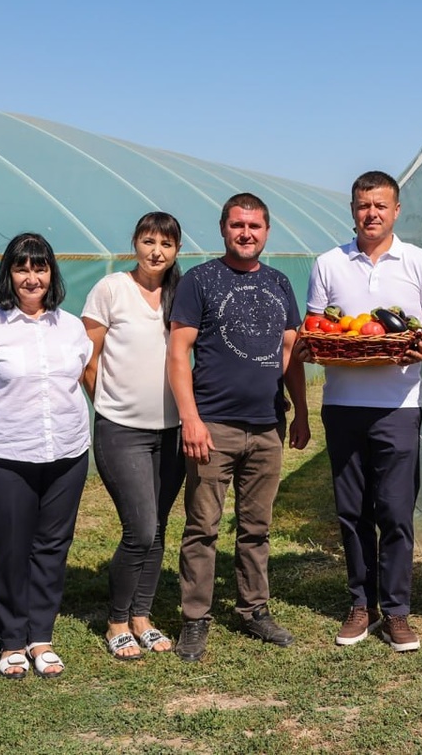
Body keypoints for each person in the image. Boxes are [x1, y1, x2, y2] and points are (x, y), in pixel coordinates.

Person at [302, 170, 422, 652]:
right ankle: (361, 604)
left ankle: (397, 611)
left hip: (399, 406)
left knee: (396, 512)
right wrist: (316, 345)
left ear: (396, 210)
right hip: (342, 405)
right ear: (352, 209)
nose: (372, 214)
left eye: (381, 205)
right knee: (352, 511)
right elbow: (316, 327)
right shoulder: (329, 263)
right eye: (364, 205)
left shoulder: (420, 262)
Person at [166, 192, 310, 663]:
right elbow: (178, 353)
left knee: (256, 527)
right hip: (214, 426)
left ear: (267, 231)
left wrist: (301, 412)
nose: (246, 233)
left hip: (267, 426)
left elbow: (290, 353)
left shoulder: (279, 282)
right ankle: (195, 618)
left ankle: (254, 609)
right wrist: (191, 418)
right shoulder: (200, 280)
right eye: (237, 225)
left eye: (254, 226)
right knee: (202, 527)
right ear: (223, 229)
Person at [0, 232, 92, 679]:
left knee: (52, 546)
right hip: (5, 458)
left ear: (52, 274)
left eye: (40, 268)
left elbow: (78, 380)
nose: (32, 278)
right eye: (22, 268)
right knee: (10, 549)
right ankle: (12, 640)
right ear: (8, 274)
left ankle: (41, 638)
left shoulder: (71, 328)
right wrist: (1, 425)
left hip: (67, 454)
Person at [82, 212, 185, 660]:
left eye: (166, 244)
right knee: (139, 528)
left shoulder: (181, 293)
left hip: (172, 430)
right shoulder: (111, 289)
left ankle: (142, 616)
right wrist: (108, 405)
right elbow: (88, 358)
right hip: (121, 430)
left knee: (158, 528)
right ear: (135, 243)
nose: (156, 252)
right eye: (148, 241)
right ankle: (117, 621)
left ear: (176, 250)